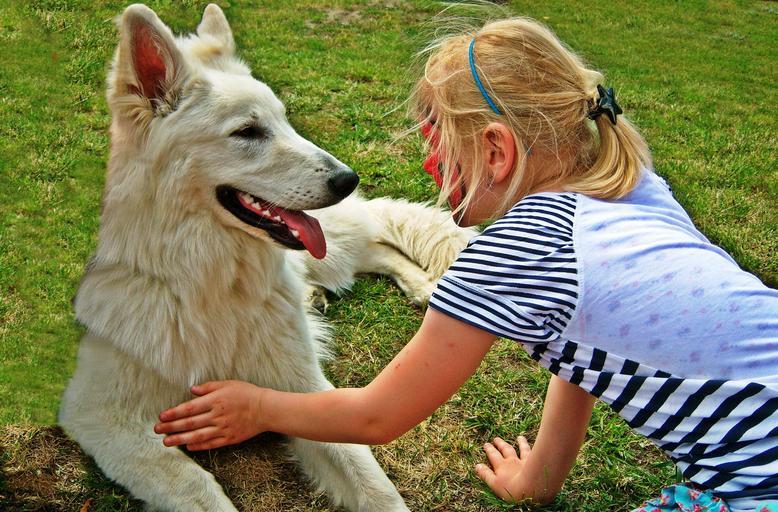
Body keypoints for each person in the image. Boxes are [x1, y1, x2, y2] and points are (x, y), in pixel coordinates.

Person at [153, 17, 778, 511]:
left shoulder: (516, 252)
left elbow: (376, 414)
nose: (429, 166)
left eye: (434, 144)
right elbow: (582, 347)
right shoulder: (634, 189)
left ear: (495, 151)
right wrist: (535, 480)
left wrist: (258, 408)